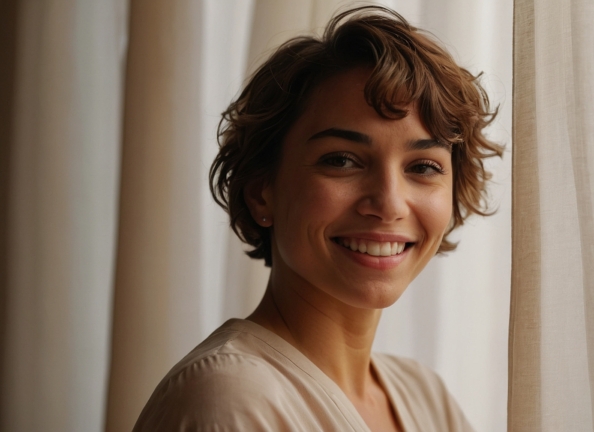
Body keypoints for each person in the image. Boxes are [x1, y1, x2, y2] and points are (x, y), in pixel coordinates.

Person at [133, 6, 503, 431]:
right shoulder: (228, 398)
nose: (389, 203)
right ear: (261, 193)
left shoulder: (427, 398)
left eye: (422, 167)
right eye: (342, 160)